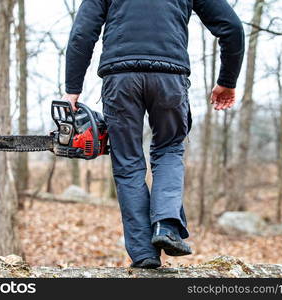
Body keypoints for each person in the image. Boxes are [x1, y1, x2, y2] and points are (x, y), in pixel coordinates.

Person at [63, 0, 244, 269]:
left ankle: (144, 253)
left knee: (127, 163)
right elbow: (231, 27)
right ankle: (166, 225)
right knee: (169, 149)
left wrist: (72, 87)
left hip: (120, 78)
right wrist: (227, 82)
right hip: (169, 77)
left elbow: (82, 33)